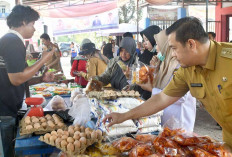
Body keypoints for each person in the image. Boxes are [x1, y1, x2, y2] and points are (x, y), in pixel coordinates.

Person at [103, 16, 232, 150]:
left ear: (191, 44)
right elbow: (161, 98)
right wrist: (124, 116)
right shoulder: (187, 70)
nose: (173, 55)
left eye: (174, 48)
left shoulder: (228, 61)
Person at [0, 5, 55, 157]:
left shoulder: (12, 40)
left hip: (9, 108)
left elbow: (21, 77)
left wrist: (41, 78)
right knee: (9, 152)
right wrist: (43, 59)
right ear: (23, 22)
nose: (34, 29)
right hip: (4, 110)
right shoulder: (12, 41)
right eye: (32, 24)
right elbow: (17, 79)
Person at [138, 30, 196, 132]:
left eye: (158, 44)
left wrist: (152, 89)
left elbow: (180, 97)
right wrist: (154, 70)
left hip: (179, 122)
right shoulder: (166, 64)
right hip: (166, 120)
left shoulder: (180, 65)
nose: (156, 48)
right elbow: (162, 84)